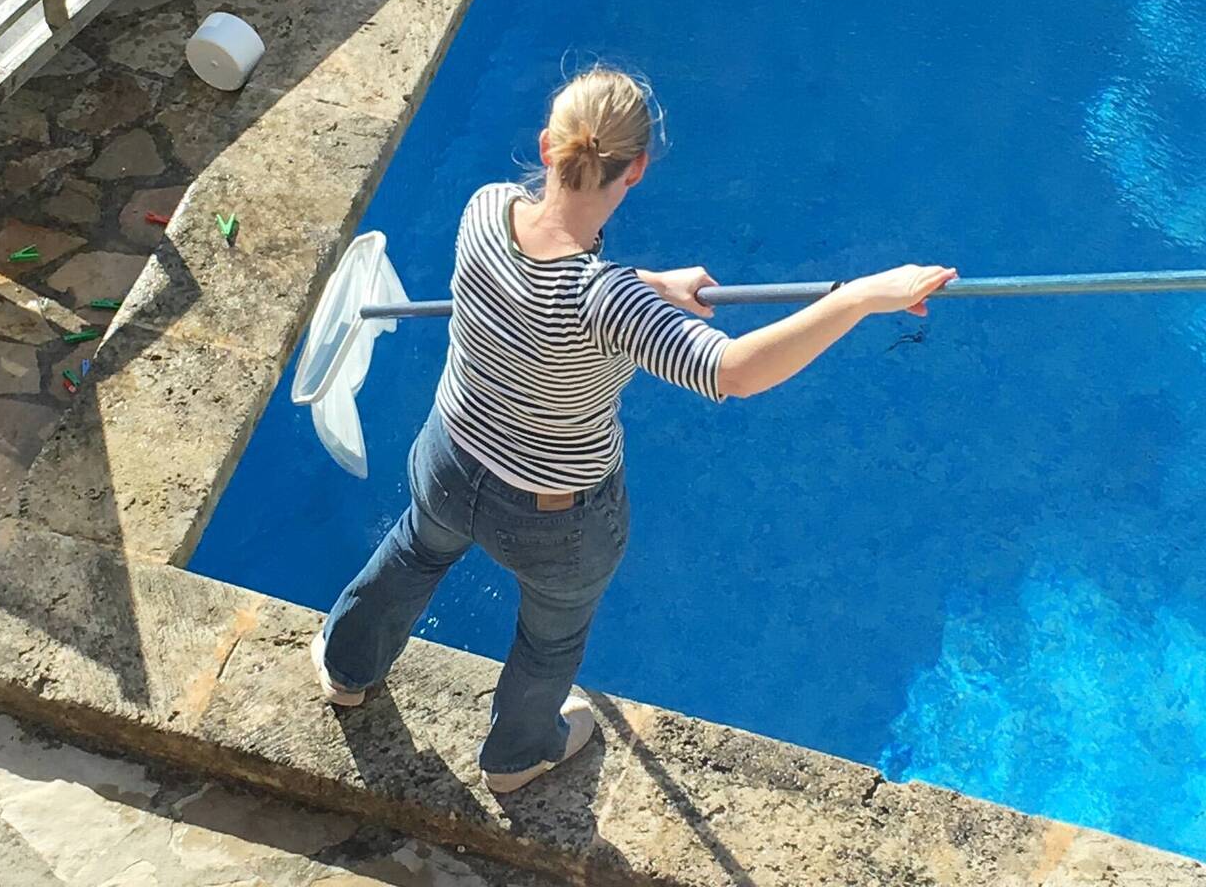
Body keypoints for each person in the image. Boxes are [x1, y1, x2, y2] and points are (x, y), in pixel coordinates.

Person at [311, 66, 956, 793]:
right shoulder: (606, 301)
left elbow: (549, 282)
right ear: (638, 169)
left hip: (449, 459)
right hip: (553, 517)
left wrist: (647, 285)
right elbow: (735, 371)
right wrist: (863, 296)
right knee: (550, 635)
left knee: (414, 552)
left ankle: (345, 669)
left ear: (547, 145)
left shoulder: (485, 210)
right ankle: (516, 758)